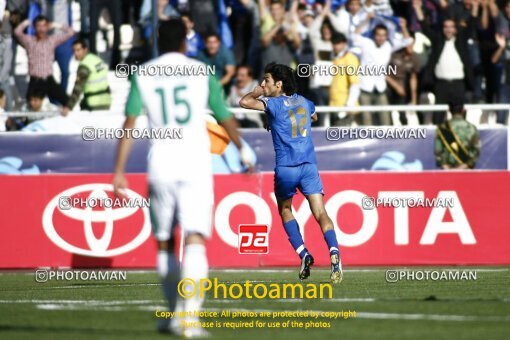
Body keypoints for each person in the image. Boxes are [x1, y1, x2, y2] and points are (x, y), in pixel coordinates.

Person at [112, 19, 252, 338]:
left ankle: (174, 315)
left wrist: (118, 171)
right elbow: (224, 114)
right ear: (185, 44)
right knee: (195, 238)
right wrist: (243, 149)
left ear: (159, 41)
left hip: (160, 163)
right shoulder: (203, 72)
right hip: (195, 165)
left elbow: (129, 124)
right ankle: (189, 319)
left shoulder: (143, 73)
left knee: (164, 242)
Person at [240, 62, 343, 284]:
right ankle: (334, 251)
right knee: (320, 212)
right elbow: (313, 116)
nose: (264, 84)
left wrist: (256, 92)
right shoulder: (305, 102)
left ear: (279, 84)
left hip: (286, 168)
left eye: (267, 80)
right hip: (309, 166)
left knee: (285, 210)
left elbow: (244, 102)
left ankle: (304, 254)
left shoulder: (273, 103)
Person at [413, 0, 477, 124]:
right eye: (446, 27)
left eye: (451, 27)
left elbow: (472, 25)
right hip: (441, 86)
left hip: (459, 85)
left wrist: (475, 7)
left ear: (455, 29)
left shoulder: (461, 42)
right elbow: (425, 27)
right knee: (438, 119)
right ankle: (439, 142)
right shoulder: (438, 41)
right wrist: (417, 9)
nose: (448, 30)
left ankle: (460, 142)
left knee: (460, 120)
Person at [353, 15, 413, 125]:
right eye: (378, 35)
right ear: (374, 35)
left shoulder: (388, 45)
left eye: (383, 35)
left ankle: (386, 142)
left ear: (386, 36)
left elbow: (407, 41)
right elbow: (354, 36)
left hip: (380, 87)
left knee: (385, 118)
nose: (381, 38)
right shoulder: (367, 43)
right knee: (367, 120)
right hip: (365, 87)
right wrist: (366, 19)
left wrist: (403, 27)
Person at [14, 15, 74, 106]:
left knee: (68, 103)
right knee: (30, 106)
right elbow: (17, 32)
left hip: (48, 79)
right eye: (39, 26)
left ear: (47, 27)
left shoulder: (52, 40)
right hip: (35, 80)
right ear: (35, 27)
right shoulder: (29, 41)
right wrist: (27, 22)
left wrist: (55, 25)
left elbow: (70, 32)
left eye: (44, 26)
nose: (41, 29)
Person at [62, 39, 111, 115]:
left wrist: (69, 107)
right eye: (74, 51)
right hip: (106, 101)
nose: (76, 53)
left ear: (85, 50)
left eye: (78, 50)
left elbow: (78, 88)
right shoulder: (97, 59)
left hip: (92, 103)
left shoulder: (84, 66)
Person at [435, 100, 480, 169]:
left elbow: (438, 152)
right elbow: (475, 151)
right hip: (466, 172)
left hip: (447, 174)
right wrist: (463, 168)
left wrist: (447, 169)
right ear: (463, 110)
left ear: (449, 110)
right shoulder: (471, 128)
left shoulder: (442, 128)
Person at [329, 32, 360, 126]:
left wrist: (349, 106)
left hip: (344, 107)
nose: (336, 46)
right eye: (334, 43)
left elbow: (355, 84)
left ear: (344, 44)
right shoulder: (334, 58)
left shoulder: (350, 58)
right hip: (334, 104)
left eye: (338, 43)